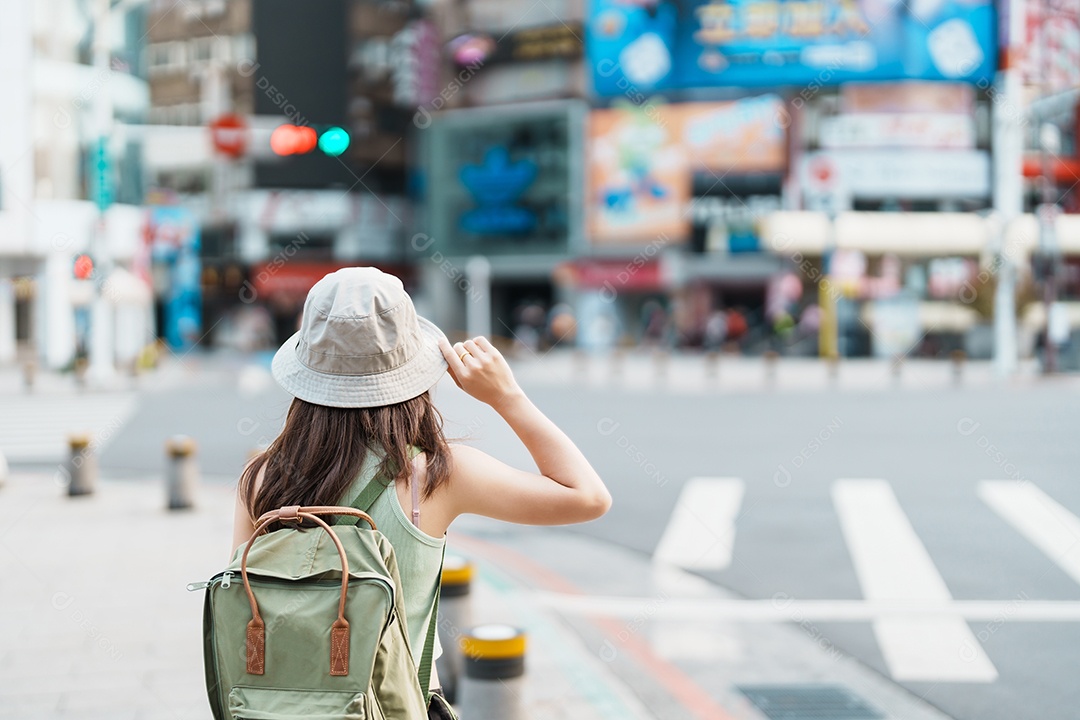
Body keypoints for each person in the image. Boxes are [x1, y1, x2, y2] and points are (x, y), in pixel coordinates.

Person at [231, 267, 611, 704]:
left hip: (280, 709)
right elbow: (587, 497)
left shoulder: (262, 476)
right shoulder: (433, 477)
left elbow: (241, 603)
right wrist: (507, 396)